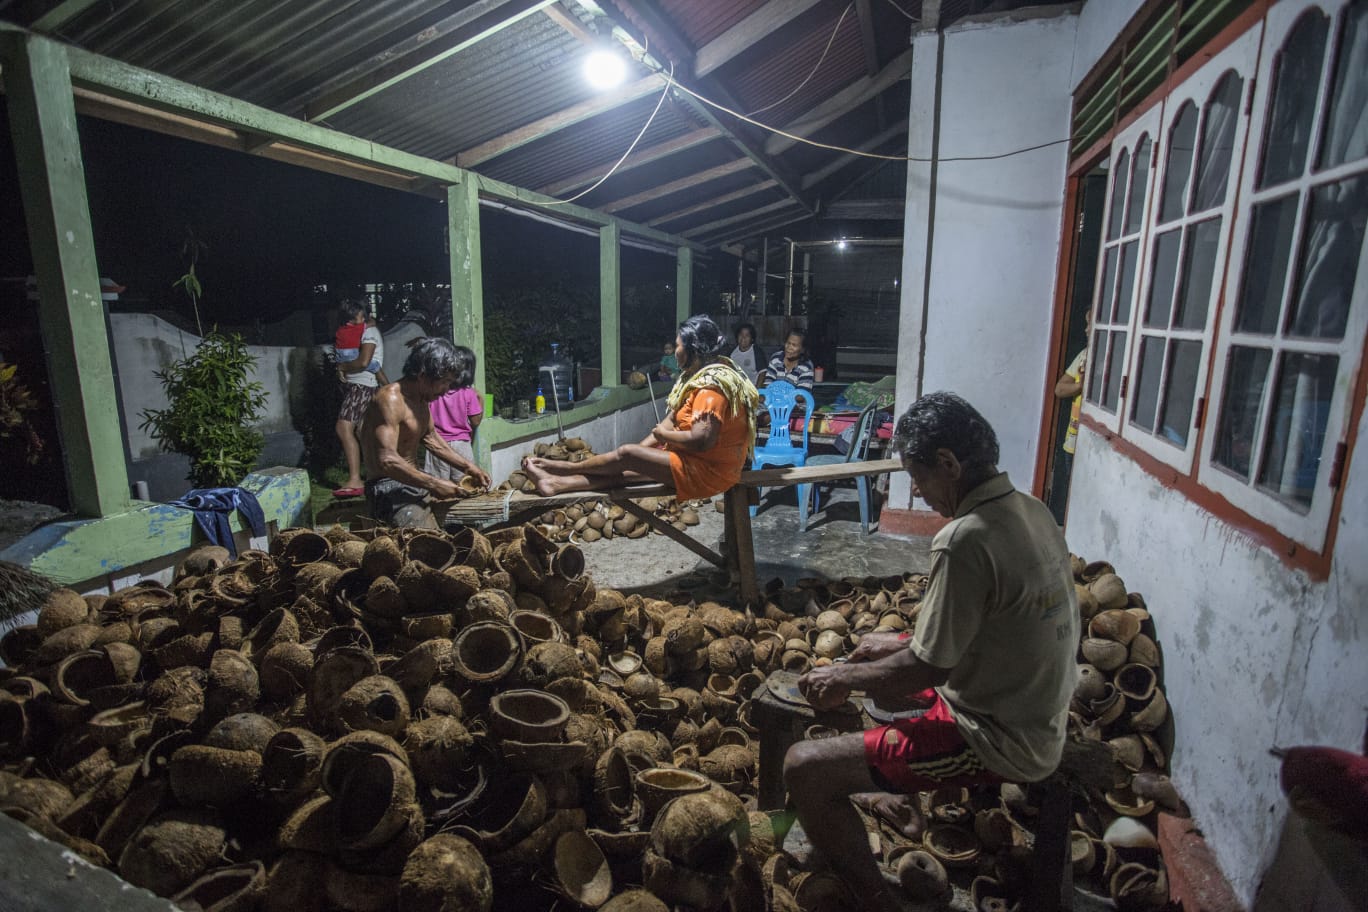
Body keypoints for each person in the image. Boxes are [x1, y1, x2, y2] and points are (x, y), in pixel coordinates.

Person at [783, 392, 1079, 912]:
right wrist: (898, 643)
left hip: (1000, 737)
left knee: (803, 764)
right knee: (881, 689)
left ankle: (875, 898)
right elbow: (995, 626)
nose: (917, 493)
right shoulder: (1032, 509)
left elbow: (930, 666)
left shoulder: (964, 539)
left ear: (949, 464)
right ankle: (889, 797)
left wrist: (844, 677)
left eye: (917, 477)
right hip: (1033, 707)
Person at [522, 315, 759, 499]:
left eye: (677, 346)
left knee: (626, 454)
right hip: (695, 462)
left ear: (691, 350)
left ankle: (562, 468)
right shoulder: (697, 377)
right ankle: (555, 483)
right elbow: (670, 422)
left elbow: (701, 440)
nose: (675, 351)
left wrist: (651, 443)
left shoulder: (711, 388)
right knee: (626, 468)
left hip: (709, 472)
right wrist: (640, 452)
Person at [360, 337, 491, 527]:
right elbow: (387, 460)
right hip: (387, 488)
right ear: (423, 375)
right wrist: (435, 484)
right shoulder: (390, 399)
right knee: (432, 547)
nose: (446, 390)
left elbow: (432, 439)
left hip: (414, 484)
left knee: (466, 526)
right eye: (444, 382)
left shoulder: (421, 401)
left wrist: (468, 467)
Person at [332, 302, 386, 498]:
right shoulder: (359, 330)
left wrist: (342, 368)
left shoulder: (369, 333)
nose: (361, 320)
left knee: (343, 427)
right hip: (358, 385)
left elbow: (364, 361)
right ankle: (374, 474)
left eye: (363, 317)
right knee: (362, 431)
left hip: (361, 385)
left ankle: (355, 479)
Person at [425, 344, 485, 485]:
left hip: (437, 444)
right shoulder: (469, 393)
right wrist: (480, 400)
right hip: (461, 445)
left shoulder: (435, 391)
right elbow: (475, 422)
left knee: (438, 485)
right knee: (466, 484)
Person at [1053, 314, 1090, 468]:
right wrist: (1078, 387)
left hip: (1091, 447)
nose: (1086, 330)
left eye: (1090, 324)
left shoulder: (1112, 359)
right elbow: (1059, 389)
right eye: (1087, 323)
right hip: (1073, 443)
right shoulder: (1084, 355)